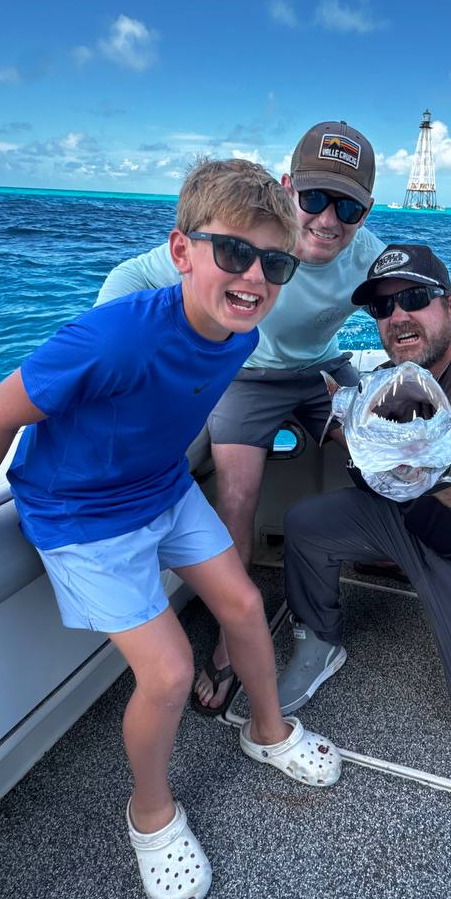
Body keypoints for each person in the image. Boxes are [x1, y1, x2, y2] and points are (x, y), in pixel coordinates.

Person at [0, 159, 342, 899]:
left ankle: (266, 730)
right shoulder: (113, 338)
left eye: (276, 263)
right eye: (235, 253)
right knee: (169, 673)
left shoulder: (242, 333)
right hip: (81, 515)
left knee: (241, 600)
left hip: (162, 488)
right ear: (181, 252)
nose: (255, 277)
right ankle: (150, 812)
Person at [98, 121, 386, 714]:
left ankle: (386, 565)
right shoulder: (251, 236)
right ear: (287, 188)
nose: (327, 220)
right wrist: (110, 356)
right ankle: (233, 638)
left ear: (366, 212)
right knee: (237, 494)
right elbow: (134, 275)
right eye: (313, 199)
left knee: (388, 452)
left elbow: (425, 298)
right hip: (248, 376)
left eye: (348, 207)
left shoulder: (368, 256)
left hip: (324, 370)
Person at [277, 244, 451, 737]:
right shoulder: (384, 382)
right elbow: (342, 425)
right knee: (304, 523)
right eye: (382, 306)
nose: (397, 316)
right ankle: (319, 640)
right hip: (401, 521)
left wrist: (440, 461)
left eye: (414, 297)